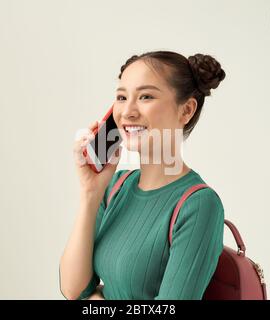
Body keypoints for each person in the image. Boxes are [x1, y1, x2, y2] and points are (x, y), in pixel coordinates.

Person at [60, 50, 226, 300]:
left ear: (186, 110)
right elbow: (73, 289)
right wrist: (90, 193)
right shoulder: (117, 187)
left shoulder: (199, 205)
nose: (127, 112)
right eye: (121, 97)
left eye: (145, 96)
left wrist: (96, 299)